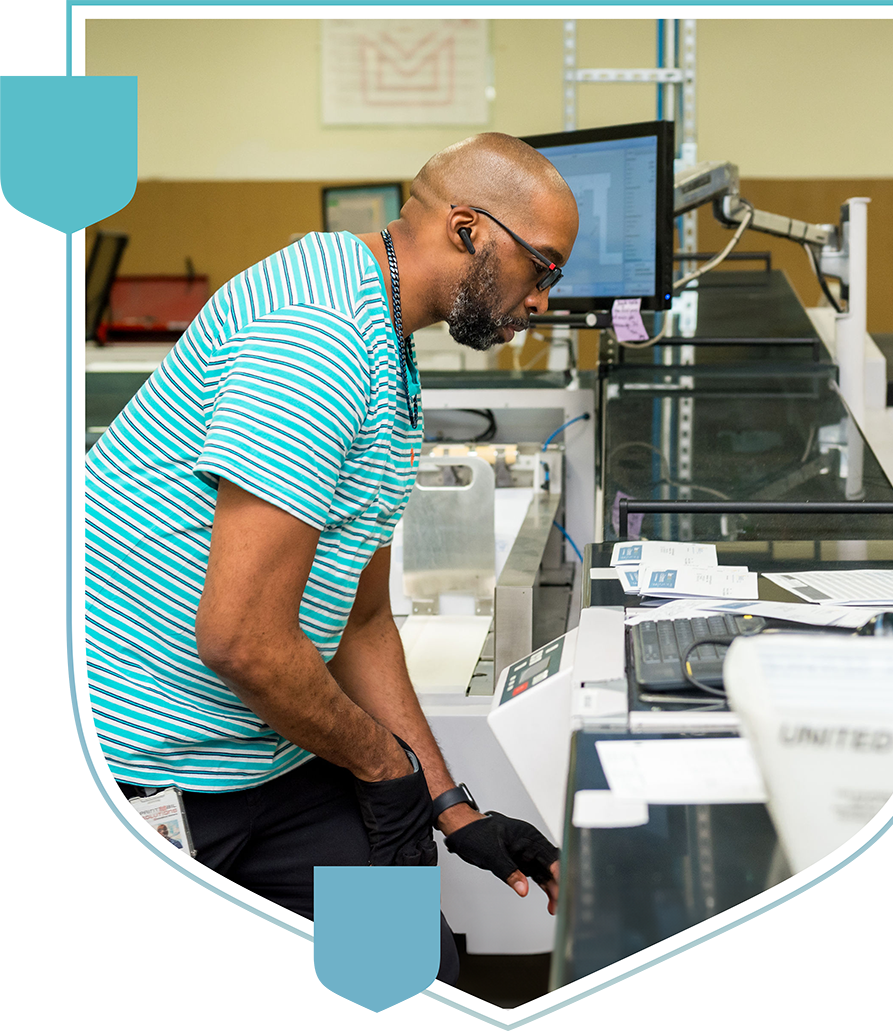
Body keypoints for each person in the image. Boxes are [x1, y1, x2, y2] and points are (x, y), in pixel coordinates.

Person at [85, 132, 579, 985]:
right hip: (141, 770)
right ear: (468, 230)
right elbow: (241, 639)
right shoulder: (319, 339)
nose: (541, 301)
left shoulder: (384, 339)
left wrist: (450, 805)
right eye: (542, 269)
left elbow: (361, 615)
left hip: (258, 755)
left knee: (411, 974)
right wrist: (385, 765)